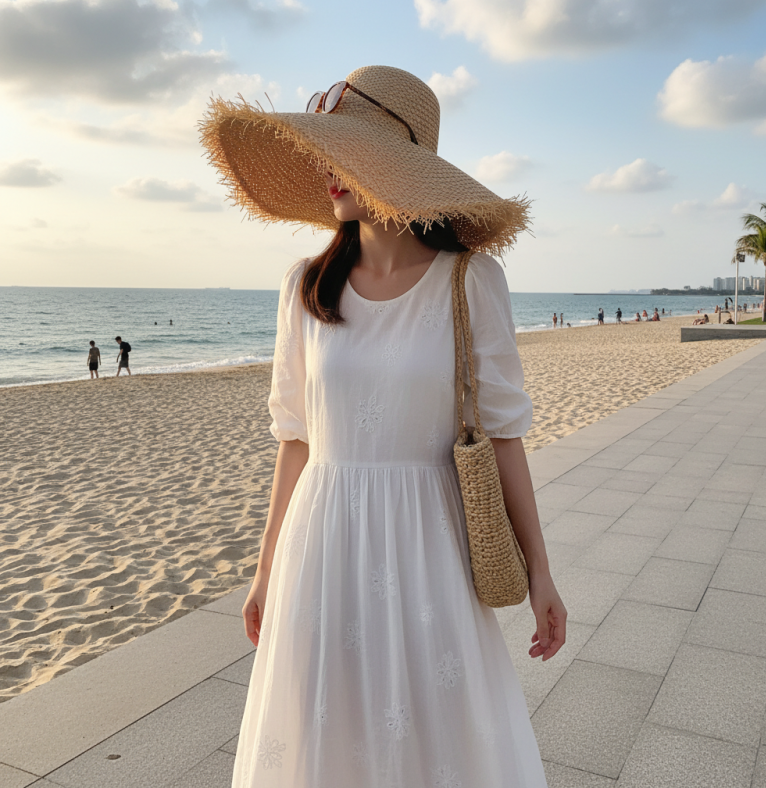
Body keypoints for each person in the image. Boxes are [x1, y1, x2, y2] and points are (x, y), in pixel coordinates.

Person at [200, 65, 565, 787]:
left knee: (436, 745)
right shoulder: (303, 285)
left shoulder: (471, 280)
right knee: (321, 743)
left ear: (397, 165)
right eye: (324, 152)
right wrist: (265, 571)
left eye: (347, 152)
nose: (326, 171)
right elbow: (296, 439)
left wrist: (542, 572)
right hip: (322, 547)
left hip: (432, 545)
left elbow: (503, 435)